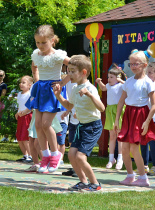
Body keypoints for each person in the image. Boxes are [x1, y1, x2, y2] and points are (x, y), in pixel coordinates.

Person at [54, 55, 105, 192]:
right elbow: (69, 105)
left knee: (80, 157)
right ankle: (83, 182)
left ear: (83, 72)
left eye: (72, 71)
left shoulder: (90, 88)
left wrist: (89, 95)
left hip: (93, 126)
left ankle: (95, 184)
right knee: (71, 155)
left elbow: (101, 108)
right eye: (68, 71)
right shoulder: (75, 88)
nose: (69, 74)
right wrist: (58, 95)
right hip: (81, 126)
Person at [26, 25, 70, 173]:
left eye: (43, 42)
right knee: (37, 124)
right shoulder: (36, 54)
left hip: (52, 90)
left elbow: (75, 66)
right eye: (37, 42)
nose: (40, 45)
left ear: (52, 41)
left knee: (46, 124)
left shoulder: (58, 55)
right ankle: (45, 156)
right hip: (41, 89)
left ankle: (55, 154)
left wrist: (62, 83)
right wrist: (37, 80)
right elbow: (34, 67)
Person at [115, 49, 155, 187]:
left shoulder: (148, 82)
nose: (133, 66)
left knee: (134, 148)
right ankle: (130, 175)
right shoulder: (128, 82)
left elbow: (154, 105)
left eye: (136, 64)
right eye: (131, 64)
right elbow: (121, 101)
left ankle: (143, 177)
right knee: (124, 149)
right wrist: (117, 119)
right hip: (128, 114)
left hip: (140, 115)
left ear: (145, 65)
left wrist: (147, 122)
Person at [96, 64, 126, 170]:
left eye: (112, 77)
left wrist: (120, 79)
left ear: (118, 78)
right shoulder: (108, 86)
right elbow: (103, 88)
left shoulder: (121, 85)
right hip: (110, 110)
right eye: (108, 77)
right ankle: (111, 159)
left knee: (120, 137)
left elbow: (127, 85)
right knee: (112, 135)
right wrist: (99, 82)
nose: (109, 79)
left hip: (119, 111)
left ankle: (120, 159)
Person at [141, 62, 155, 176]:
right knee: (143, 142)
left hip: (153, 118)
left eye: (150, 73)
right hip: (143, 118)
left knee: (153, 143)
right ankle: (144, 166)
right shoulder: (143, 83)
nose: (147, 74)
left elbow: (151, 101)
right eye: (146, 72)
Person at [15, 75, 33, 162]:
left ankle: (31, 156)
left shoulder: (30, 94)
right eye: (20, 82)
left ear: (30, 85)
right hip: (20, 117)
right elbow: (20, 105)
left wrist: (24, 112)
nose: (21, 84)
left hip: (27, 117)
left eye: (24, 82)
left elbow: (31, 106)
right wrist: (17, 113)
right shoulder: (19, 94)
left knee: (25, 138)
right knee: (19, 137)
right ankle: (25, 155)